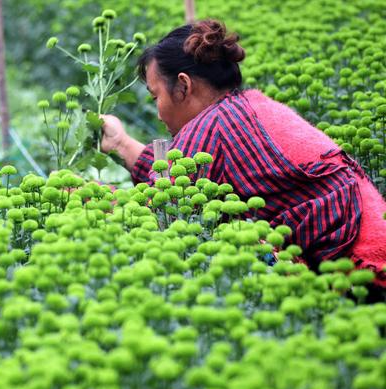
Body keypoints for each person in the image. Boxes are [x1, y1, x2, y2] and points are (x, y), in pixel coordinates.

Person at [100, 19, 386, 289]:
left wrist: (89, 197)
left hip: (364, 271)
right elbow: (182, 172)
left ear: (184, 85)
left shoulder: (211, 125)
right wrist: (121, 143)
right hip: (372, 247)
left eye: (155, 97)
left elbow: (160, 213)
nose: (157, 111)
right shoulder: (248, 106)